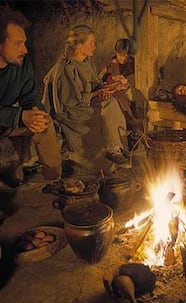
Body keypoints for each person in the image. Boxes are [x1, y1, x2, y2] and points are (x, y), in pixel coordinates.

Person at [42, 25, 130, 178]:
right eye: (91, 43)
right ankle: (112, 149)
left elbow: (96, 86)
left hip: (86, 104)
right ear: (79, 45)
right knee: (108, 107)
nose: (94, 47)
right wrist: (98, 93)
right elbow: (70, 102)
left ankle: (115, 149)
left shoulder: (87, 63)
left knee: (112, 103)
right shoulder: (66, 69)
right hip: (71, 113)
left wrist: (114, 85)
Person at [0, 7, 62, 186]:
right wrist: (20, 116)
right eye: (18, 43)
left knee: (45, 123)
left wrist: (36, 112)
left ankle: (55, 181)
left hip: (7, 123)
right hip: (8, 119)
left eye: (24, 42)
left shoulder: (22, 63)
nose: (25, 49)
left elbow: (29, 95)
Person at [99, 38, 144, 150]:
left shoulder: (133, 63)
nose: (123, 58)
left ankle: (135, 135)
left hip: (132, 95)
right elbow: (101, 80)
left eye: (126, 55)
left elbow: (139, 78)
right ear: (116, 53)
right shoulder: (110, 64)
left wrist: (128, 83)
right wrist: (113, 80)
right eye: (121, 55)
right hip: (117, 95)